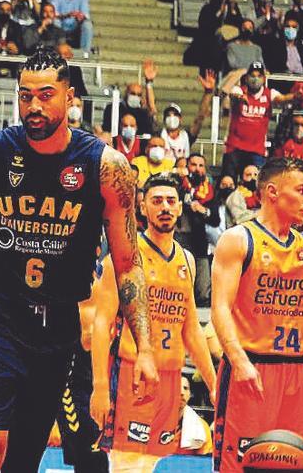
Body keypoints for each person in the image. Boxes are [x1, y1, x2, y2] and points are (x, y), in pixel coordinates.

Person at [0, 47, 157, 471]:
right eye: (25, 96)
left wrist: (144, 346)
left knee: (20, 463)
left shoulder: (105, 166)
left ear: (71, 97)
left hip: (58, 326)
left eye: (45, 95)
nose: (33, 106)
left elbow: (129, 264)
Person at [89, 175, 218, 472]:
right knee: (127, 464)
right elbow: (101, 323)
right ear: (142, 207)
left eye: (171, 201)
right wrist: (99, 387)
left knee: (150, 464)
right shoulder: (124, 256)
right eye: (157, 201)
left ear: (180, 208)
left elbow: (191, 329)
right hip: (131, 377)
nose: (165, 207)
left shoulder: (186, 259)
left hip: (171, 377)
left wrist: (212, 383)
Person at [210, 157, 303, 473]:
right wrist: (239, 361)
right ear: (273, 192)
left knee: (297, 464)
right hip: (252, 368)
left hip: (300, 372)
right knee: (238, 465)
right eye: (302, 190)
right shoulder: (238, 239)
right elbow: (220, 308)